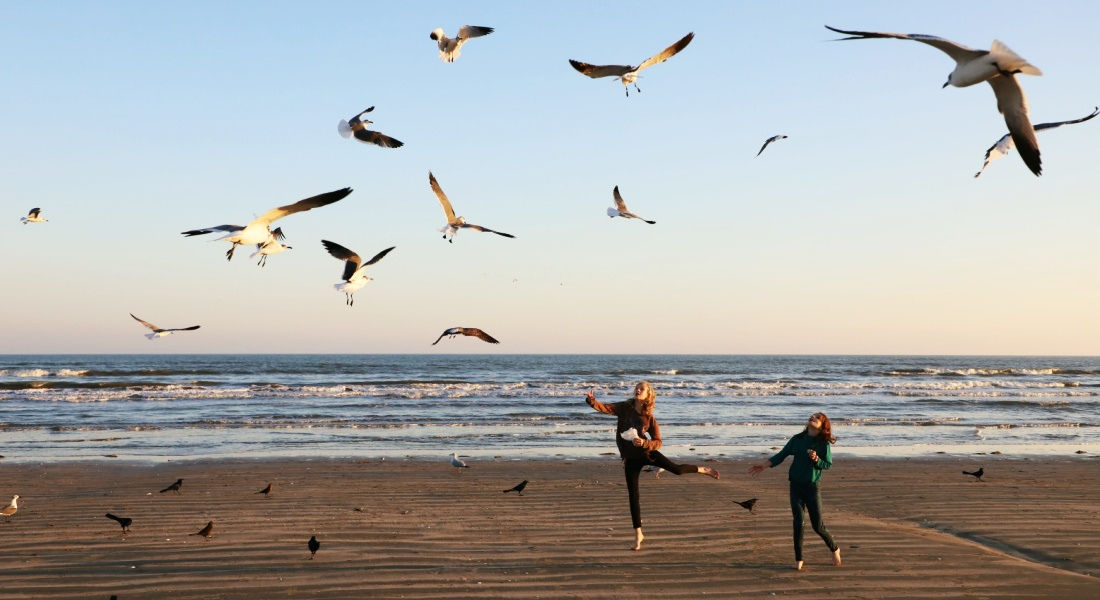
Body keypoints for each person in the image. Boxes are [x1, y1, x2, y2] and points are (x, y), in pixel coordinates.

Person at [586, 381, 720, 551]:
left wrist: (644, 443)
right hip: (630, 459)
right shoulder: (624, 408)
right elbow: (604, 408)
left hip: (647, 454)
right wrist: (591, 401)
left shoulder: (649, 418)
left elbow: (658, 442)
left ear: (648, 395)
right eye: (637, 387)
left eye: (642, 389)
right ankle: (638, 534)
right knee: (633, 496)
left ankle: (702, 469)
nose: (638, 390)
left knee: (677, 470)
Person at [749, 412, 841, 570]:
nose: (813, 417)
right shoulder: (797, 439)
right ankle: (799, 559)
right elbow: (782, 454)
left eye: (817, 418)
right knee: (798, 522)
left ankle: (835, 548)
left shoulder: (823, 443)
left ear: (822, 425)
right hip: (795, 486)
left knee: (818, 526)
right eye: (812, 416)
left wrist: (817, 459)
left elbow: (827, 464)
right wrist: (763, 466)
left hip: (812, 487)